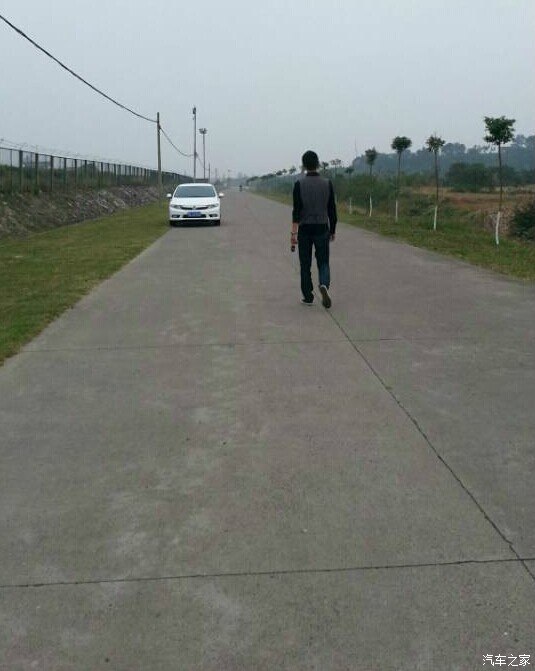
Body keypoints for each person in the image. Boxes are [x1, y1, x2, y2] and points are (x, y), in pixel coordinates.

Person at [291, 150, 337, 308]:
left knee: (305, 264)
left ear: (304, 165)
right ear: (317, 164)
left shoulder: (299, 184)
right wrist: (333, 230)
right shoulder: (327, 183)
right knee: (323, 261)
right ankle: (324, 284)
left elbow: (296, 211)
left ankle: (308, 296)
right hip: (322, 227)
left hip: (304, 229)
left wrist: (293, 233)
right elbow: (332, 209)